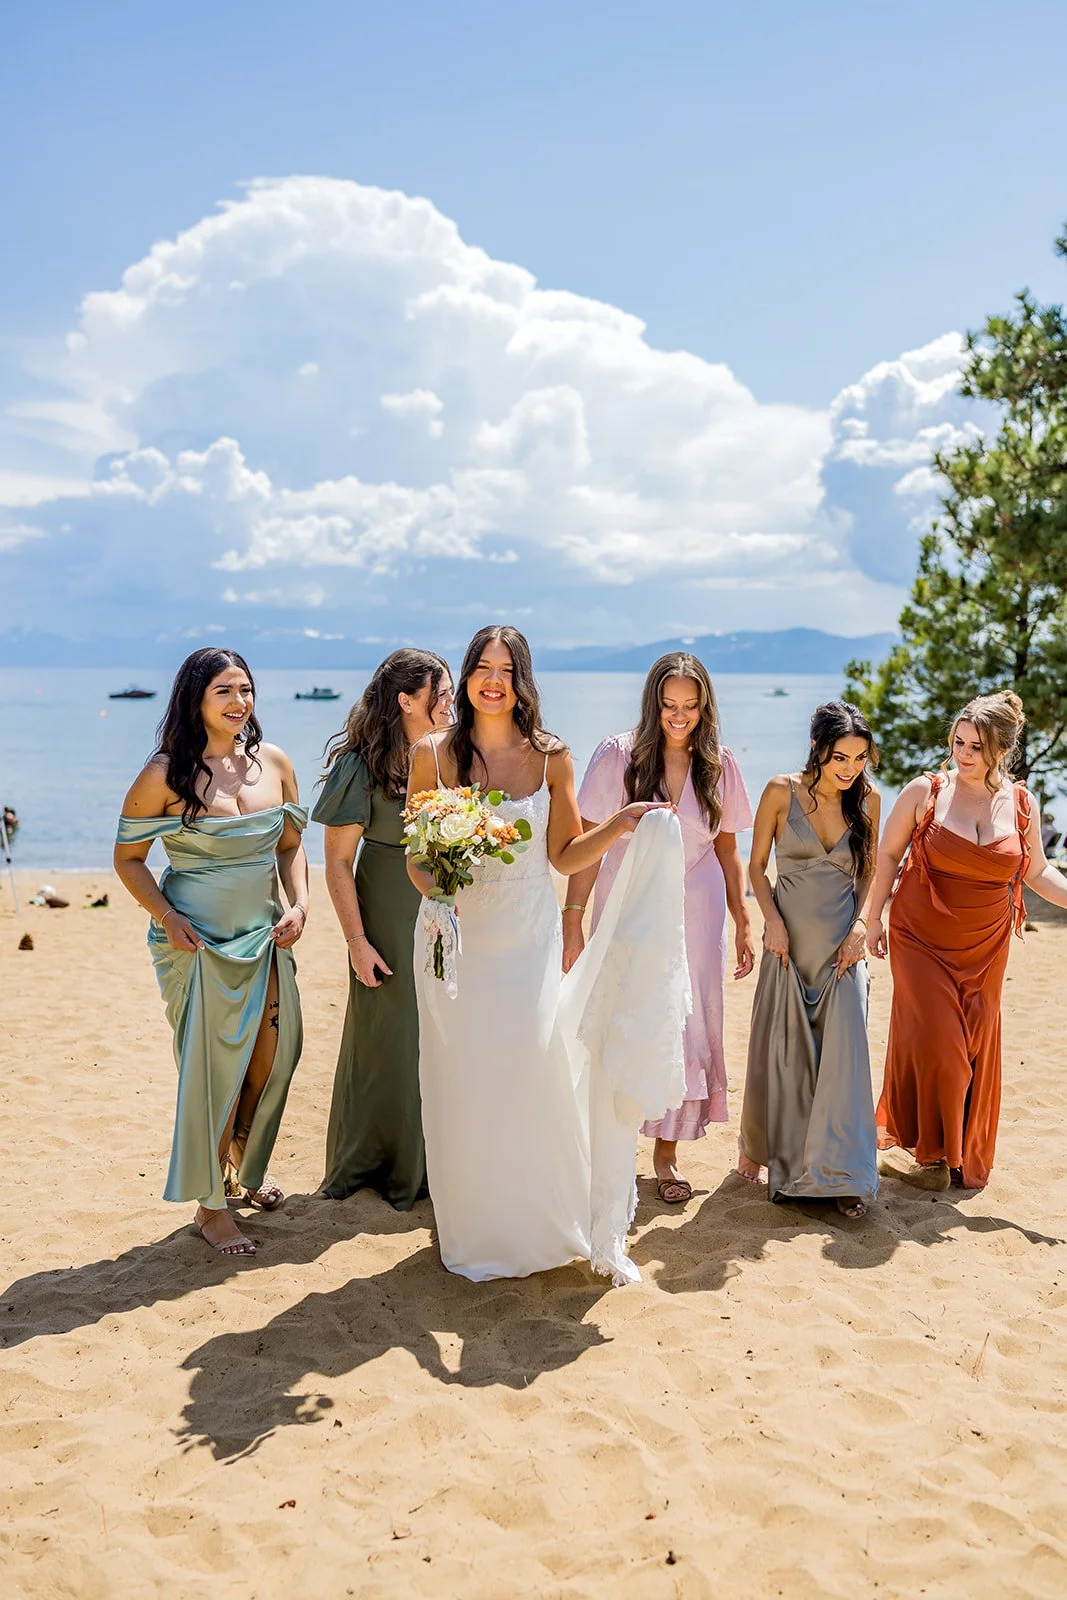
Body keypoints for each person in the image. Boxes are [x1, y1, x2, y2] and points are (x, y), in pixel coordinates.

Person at [407, 625, 689, 1283]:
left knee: (529, 1069)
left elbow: (563, 855)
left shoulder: (551, 756)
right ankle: (475, 1226)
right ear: (467, 676)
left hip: (526, 938)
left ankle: (534, 1223)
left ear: (522, 681)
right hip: (454, 940)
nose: (494, 680)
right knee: (461, 1081)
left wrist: (617, 826)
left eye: (507, 670)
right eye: (483, 667)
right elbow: (416, 859)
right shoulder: (431, 755)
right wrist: (438, 888)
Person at [114, 648, 308, 1256]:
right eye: (224, 690)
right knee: (216, 1073)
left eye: (245, 689)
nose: (238, 702)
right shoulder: (165, 773)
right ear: (195, 698)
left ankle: (242, 1166)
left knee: (272, 1059)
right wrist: (167, 917)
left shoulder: (273, 762)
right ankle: (211, 1206)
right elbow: (128, 859)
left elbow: (290, 846)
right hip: (197, 944)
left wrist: (301, 904)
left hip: (266, 937)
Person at [565, 653, 755, 1205]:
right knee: (623, 1016)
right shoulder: (617, 755)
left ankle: (666, 1154)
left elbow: (728, 848)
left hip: (698, 906)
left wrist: (744, 918)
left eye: (690, 706)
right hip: (629, 903)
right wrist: (573, 918)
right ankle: (611, 1147)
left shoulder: (719, 764)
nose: (679, 716)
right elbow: (585, 846)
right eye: (669, 704)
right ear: (653, 703)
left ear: (705, 707)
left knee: (686, 1022)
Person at [864, 691, 1067, 1190]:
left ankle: (951, 1156)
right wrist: (872, 919)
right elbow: (887, 855)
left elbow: (1038, 872)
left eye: (977, 746)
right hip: (920, 936)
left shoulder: (1021, 803)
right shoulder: (925, 791)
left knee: (973, 1044)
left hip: (986, 944)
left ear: (1002, 749)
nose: (964, 753)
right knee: (943, 1043)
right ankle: (931, 1156)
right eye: (959, 742)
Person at [312, 649, 454, 1210]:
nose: (451, 703)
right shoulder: (361, 764)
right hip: (386, 913)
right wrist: (356, 941)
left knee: (444, 1034)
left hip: (448, 908)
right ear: (407, 700)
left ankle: (441, 1165)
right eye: (441, 693)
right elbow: (337, 863)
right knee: (391, 1038)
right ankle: (384, 1166)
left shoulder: (455, 754)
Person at [737, 702, 881, 1217]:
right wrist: (771, 922)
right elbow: (756, 867)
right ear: (818, 748)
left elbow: (869, 875)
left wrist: (862, 925)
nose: (850, 769)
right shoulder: (781, 791)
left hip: (842, 952)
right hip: (788, 948)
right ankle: (787, 1162)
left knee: (845, 1063)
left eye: (860, 758)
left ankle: (845, 1176)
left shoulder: (869, 802)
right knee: (788, 1061)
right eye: (841, 757)